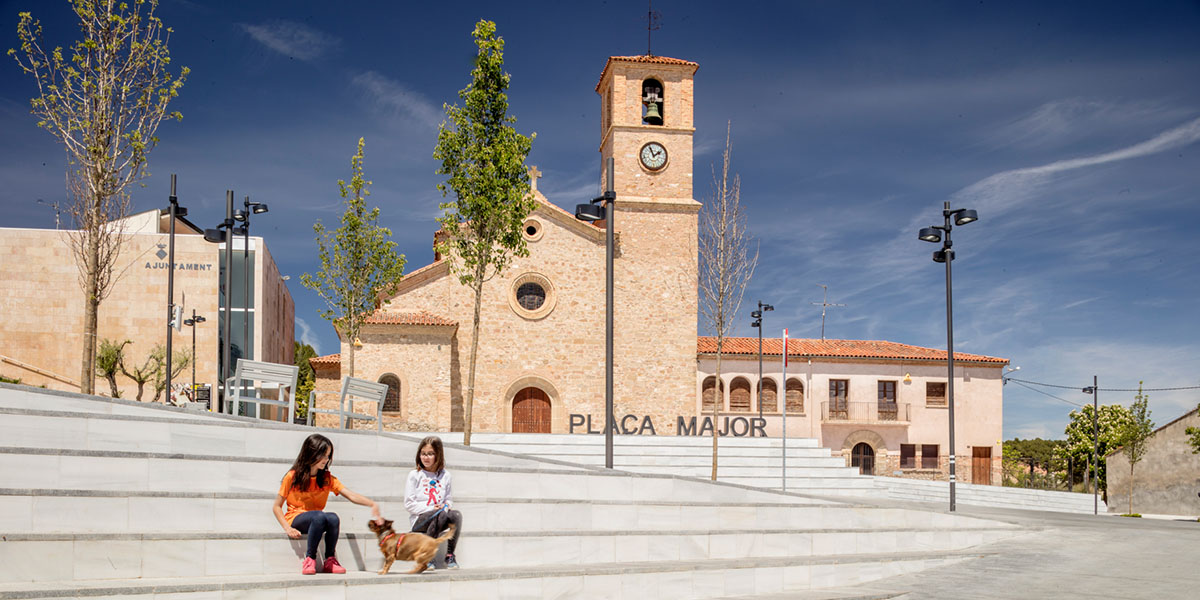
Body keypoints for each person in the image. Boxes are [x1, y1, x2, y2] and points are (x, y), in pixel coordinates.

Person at [273, 433, 383, 575]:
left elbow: (350, 495)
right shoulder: (292, 477)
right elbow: (277, 506)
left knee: (333, 517)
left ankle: (330, 560)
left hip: (317, 520)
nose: (326, 460)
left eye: (328, 456)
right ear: (311, 453)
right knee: (319, 516)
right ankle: (310, 559)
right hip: (296, 518)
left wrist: (372, 504)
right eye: (323, 455)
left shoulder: (327, 479)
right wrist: (287, 528)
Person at [404, 435, 463, 569]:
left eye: (430, 454)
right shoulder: (415, 475)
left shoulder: (445, 475)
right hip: (420, 520)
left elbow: (448, 499)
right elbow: (409, 504)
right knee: (439, 513)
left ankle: (450, 555)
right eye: (423, 454)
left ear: (438, 455)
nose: (426, 457)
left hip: (440, 516)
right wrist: (431, 508)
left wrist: (445, 506)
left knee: (456, 515)